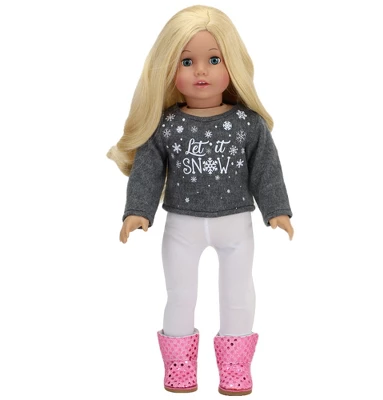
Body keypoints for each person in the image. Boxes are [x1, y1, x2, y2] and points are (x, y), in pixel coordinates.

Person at [107, 5, 294, 396]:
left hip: (236, 224)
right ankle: (179, 365)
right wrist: (138, 211)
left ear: (232, 65)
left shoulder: (247, 124)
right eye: (187, 61)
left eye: (214, 59)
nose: (201, 71)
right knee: (180, 294)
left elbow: (266, 169)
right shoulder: (166, 125)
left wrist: (276, 210)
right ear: (169, 69)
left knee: (238, 294)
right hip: (182, 225)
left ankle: (235, 367)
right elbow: (148, 171)